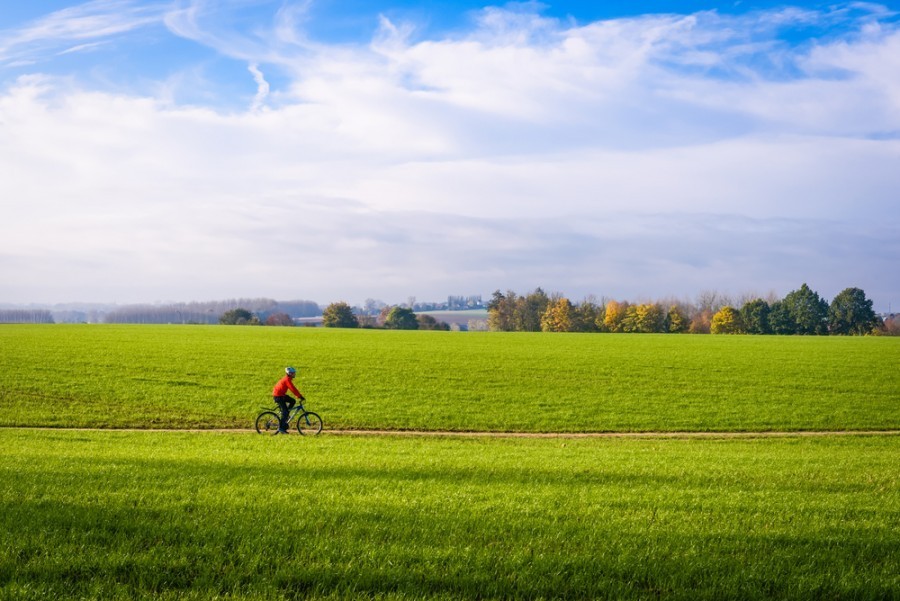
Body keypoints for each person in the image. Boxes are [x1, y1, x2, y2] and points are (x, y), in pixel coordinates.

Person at [273, 366, 305, 434]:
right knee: (285, 412)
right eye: (293, 373)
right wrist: (300, 396)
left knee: (293, 401)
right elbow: (292, 389)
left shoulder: (288, 379)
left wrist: (298, 395)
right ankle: (281, 428)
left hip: (281, 395)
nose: (294, 374)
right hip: (278, 396)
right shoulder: (287, 380)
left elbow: (293, 388)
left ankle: (286, 415)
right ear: (290, 373)